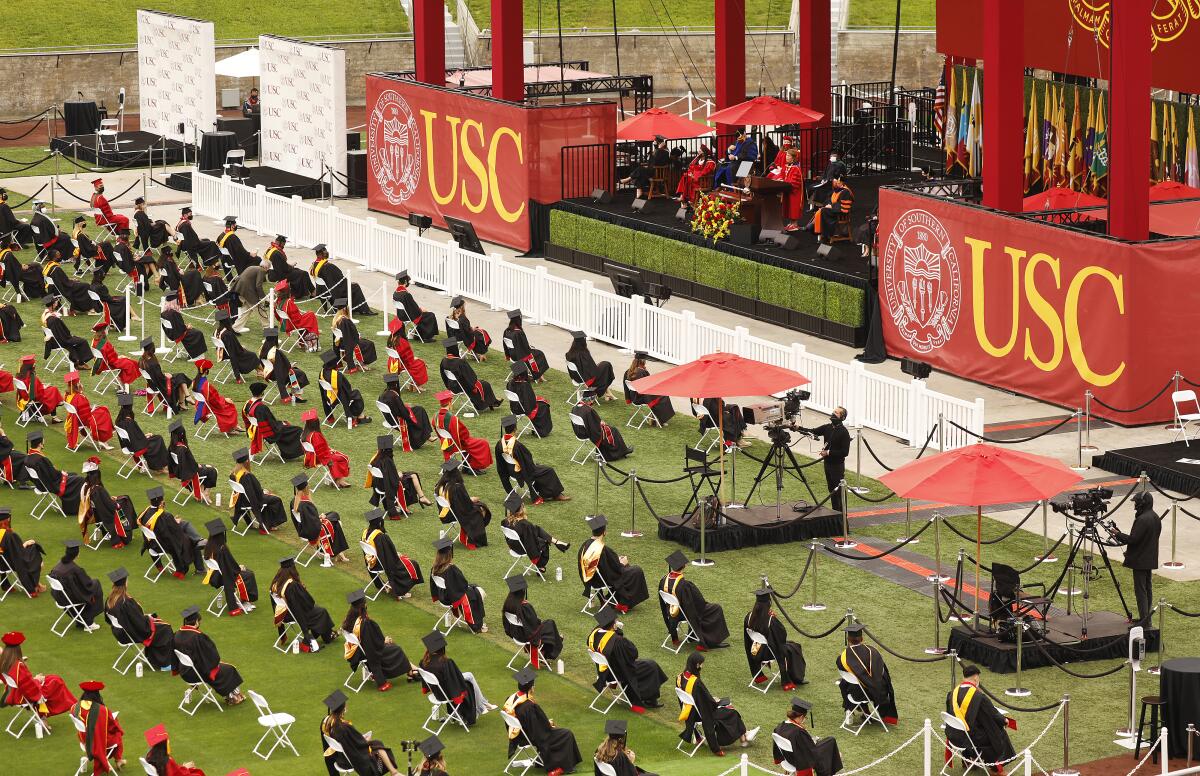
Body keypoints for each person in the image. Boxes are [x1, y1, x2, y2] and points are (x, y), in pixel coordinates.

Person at [503, 666, 582, 776]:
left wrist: (544, 722)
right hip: (531, 736)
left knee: (558, 732)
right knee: (567, 734)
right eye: (533, 685)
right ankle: (562, 766)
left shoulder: (510, 699)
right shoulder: (528, 706)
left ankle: (543, 760)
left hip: (519, 735)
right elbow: (540, 732)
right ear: (531, 687)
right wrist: (548, 724)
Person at [587, 606, 666, 714]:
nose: (617, 621)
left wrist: (614, 630)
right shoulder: (617, 641)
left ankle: (647, 696)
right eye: (615, 621)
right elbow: (633, 653)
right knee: (651, 666)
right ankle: (649, 699)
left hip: (604, 672)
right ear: (612, 624)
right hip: (618, 672)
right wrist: (618, 632)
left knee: (646, 665)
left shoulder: (593, 635)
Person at [677, 652, 757, 756]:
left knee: (727, 707)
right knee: (731, 711)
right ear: (697, 665)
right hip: (702, 713)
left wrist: (710, 699)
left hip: (690, 711)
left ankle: (744, 736)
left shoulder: (680, 677)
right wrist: (715, 701)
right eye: (701, 664)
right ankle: (744, 737)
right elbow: (708, 704)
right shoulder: (696, 682)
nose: (702, 666)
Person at [342, 589, 418, 691]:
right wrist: (384, 641)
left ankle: (412, 670)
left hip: (357, 651)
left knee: (392, 646)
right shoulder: (365, 622)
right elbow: (373, 644)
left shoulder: (349, 619)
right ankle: (412, 671)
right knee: (397, 649)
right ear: (364, 605)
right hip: (369, 652)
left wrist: (382, 640)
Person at [946, 665, 1016, 773]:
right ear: (975, 678)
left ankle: (969, 759)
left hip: (953, 734)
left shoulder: (952, 693)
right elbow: (994, 714)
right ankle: (996, 769)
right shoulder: (979, 697)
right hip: (970, 737)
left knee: (976, 727)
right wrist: (1004, 720)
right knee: (997, 733)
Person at [417, 630, 495, 725]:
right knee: (469, 679)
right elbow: (454, 680)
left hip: (437, 692)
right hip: (447, 692)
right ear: (442, 648)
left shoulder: (423, 662)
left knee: (469, 675)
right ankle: (482, 705)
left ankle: (483, 704)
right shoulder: (446, 662)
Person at [105, 567, 175, 670]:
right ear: (125, 583)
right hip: (131, 633)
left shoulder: (110, 599)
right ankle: (164, 663)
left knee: (158, 624)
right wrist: (149, 618)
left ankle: (153, 658)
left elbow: (108, 620)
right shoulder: (125, 602)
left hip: (119, 632)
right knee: (165, 628)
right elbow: (141, 625)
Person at [174, 605, 246, 705]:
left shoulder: (177, 634)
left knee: (222, 668)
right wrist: (215, 663)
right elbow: (211, 657)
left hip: (185, 671)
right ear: (196, 622)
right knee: (229, 669)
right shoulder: (197, 637)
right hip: (196, 673)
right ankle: (232, 697)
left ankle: (234, 695)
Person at [659, 551, 730, 649]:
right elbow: (699, 603)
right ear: (684, 566)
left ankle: (688, 637)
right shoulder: (684, 585)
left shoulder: (663, 580)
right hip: (684, 614)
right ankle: (710, 641)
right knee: (716, 608)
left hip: (671, 613)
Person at [320, 689, 401, 776]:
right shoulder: (344, 727)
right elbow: (359, 745)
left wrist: (360, 739)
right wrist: (364, 739)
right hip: (350, 759)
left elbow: (329, 746)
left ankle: (394, 772)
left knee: (376, 743)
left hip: (337, 757)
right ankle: (394, 772)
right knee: (378, 745)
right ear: (343, 708)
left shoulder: (326, 722)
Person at [1, 631, 76, 722]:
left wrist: (36, 679)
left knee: (51, 678)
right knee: (56, 681)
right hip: (25, 696)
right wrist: (38, 680)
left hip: (14, 692)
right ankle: (72, 707)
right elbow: (29, 688)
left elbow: (21, 681)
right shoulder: (18, 666)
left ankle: (44, 715)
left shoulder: (3, 661)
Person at [579, 515, 648, 613]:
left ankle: (609, 599)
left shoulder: (585, 545)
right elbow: (614, 571)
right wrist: (623, 563)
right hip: (602, 580)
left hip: (590, 579)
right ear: (604, 532)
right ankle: (624, 602)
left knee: (629, 571)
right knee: (636, 570)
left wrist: (616, 562)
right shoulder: (601, 549)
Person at [744, 585, 807, 690]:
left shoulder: (749, 616)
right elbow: (782, 636)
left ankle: (758, 676)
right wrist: (774, 618)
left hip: (755, 650)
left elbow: (747, 639)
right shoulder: (770, 620)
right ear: (769, 603)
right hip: (768, 652)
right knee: (795, 647)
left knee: (789, 645)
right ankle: (796, 678)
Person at [496, 415, 568, 504]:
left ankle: (544, 492)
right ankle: (556, 494)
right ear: (515, 428)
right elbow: (528, 461)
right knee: (548, 470)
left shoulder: (499, 444)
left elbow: (500, 464)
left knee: (540, 467)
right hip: (522, 472)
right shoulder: (517, 445)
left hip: (510, 471)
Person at [1115, 491, 1161, 628]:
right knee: (1147, 589)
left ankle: (1144, 623)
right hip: (1149, 559)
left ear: (1142, 503)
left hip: (1140, 561)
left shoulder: (1142, 519)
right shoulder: (1155, 517)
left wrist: (1117, 534)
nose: (1135, 505)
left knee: (1141, 591)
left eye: (1136, 502)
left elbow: (1133, 540)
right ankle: (1145, 619)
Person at [836, 624, 898, 726]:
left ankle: (849, 709)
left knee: (844, 682)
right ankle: (867, 712)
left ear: (848, 639)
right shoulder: (874, 651)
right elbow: (884, 673)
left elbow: (844, 673)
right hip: (879, 693)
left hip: (858, 695)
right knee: (875, 680)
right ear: (862, 638)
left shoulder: (843, 657)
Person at [271, 557, 336, 652]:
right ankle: (327, 637)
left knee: (318, 611)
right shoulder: (292, 585)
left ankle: (329, 634)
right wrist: (303, 589)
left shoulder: (276, 582)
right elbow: (309, 602)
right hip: (295, 614)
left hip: (284, 614)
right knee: (322, 611)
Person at [502, 575, 564, 669]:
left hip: (516, 634)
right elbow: (534, 624)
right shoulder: (524, 606)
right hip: (526, 636)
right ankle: (548, 651)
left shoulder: (508, 604)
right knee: (550, 623)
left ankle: (551, 643)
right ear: (522, 592)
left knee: (547, 628)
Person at [502, 491, 570, 574]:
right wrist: (542, 542)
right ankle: (540, 566)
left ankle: (556, 541)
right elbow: (531, 544)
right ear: (521, 508)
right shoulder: (525, 524)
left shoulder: (505, 521)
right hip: (521, 548)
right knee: (544, 543)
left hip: (513, 546)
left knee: (536, 528)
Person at [138, 485, 199, 578]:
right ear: (161, 501)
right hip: (162, 545)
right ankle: (181, 571)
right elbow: (175, 532)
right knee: (185, 540)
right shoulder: (165, 516)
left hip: (150, 544)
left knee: (179, 538)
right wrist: (176, 522)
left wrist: (172, 521)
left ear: (150, 501)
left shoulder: (144, 513)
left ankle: (159, 567)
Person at [361, 509, 423, 599]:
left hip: (370, 562)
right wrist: (397, 555)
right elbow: (389, 557)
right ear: (379, 522)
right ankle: (401, 590)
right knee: (412, 564)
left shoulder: (365, 532)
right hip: (381, 564)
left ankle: (386, 585)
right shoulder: (380, 536)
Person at [772, 698, 843, 776]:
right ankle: (827, 772)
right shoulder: (799, 732)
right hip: (801, 760)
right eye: (805, 718)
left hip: (788, 758)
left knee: (828, 744)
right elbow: (811, 751)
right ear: (801, 716)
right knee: (831, 741)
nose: (804, 720)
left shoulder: (780, 726)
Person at [429, 538, 487, 632]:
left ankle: (455, 617)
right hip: (452, 598)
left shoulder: (434, 568)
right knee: (477, 593)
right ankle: (477, 624)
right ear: (449, 554)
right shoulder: (451, 568)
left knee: (474, 587)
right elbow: (463, 584)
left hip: (443, 596)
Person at [365, 435, 430, 518]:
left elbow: (387, 473)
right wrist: (399, 475)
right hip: (388, 485)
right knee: (412, 478)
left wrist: (396, 473)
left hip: (379, 485)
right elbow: (392, 479)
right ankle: (416, 500)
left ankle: (421, 498)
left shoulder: (376, 457)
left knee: (413, 474)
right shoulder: (387, 460)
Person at [291, 474, 350, 564]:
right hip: (312, 530)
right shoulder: (305, 504)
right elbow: (312, 522)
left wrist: (319, 517)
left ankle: (339, 553)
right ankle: (339, 553)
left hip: (304, 529)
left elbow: (307, 518)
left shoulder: (294, 501)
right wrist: (321, 519)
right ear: (306, 487)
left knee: (333, 515)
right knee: (336, 520)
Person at [202, 519, 257, 616]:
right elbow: (229, 567)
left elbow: (225, 564)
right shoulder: (221, 549)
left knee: (246, 573)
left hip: (214, 576)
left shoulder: (209, 546)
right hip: (224, 576)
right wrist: (239, 568)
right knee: (249, 574)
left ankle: (244, 600)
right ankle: (244, 601)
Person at [79, 458, 136, 549]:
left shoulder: (86, 486)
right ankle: (126, 533)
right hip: (106, 515)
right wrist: (117, 504)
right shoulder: (98, 489)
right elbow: (111, 506)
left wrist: (110, 499)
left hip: (95, 514)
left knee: (122, 499)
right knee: (126, 501)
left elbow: (102, 501)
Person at [228, 447, 288, 533]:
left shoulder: (233, 473)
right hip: (251, 501)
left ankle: (258, 523)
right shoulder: (247, 475)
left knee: (268, 497)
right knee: (276, 500)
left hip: (240, 500)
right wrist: (264, 492)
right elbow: (256, 493)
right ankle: (270, 524)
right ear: (246, 461)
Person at [72, 680, 126, 774]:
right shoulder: (102, 710)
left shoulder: (74, 707)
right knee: (117, 733)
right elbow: (112, 726)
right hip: (96, 742)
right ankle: (118, 760)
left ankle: (119, 760)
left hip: (84, 740)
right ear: (97, 695)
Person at [803, 406, 851, 513]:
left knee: (839, 492)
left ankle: (843, 515)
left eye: (837, 413)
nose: (833, 414)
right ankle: (835, 513)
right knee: (831, 490)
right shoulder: (827, 428)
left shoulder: (844, 432)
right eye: (834, 412)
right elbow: (812, 431)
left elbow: (845, 452)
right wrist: (797, 428)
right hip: (827, 464)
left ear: (842, 417)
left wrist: (828, 452)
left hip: (837, 466)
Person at [25, 429, 85, 514]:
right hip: (50, 484)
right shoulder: (40, 459)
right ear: (40, 444)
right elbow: (53, 475)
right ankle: (71, 509)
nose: (44, 441)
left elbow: (48, 472)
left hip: (41, 483)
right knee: (80, 479)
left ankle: (72, 505)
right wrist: (62, 474)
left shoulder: (29, 456)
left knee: (73, 474)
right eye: (43, 440)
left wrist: (61, 473)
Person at [49, 539, 104, 629]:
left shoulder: (58, 565)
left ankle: (81, 619)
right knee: (96, 585)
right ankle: (88, 622)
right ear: (77, 554)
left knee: (92, 587)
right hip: (70, 598)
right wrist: (95, 583)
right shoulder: (75, 570)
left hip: (60, 597)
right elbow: (87, 585)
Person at [435, 461, 491, 548]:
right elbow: (465, 505)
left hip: (443, 513)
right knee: (480, 508)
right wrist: (471, 500)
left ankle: (469, 534)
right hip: (453, 514)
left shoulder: (439, 486)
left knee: (478, 506)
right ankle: (474, 538)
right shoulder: (456, 487)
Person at [242, 381, 304, 460]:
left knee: (285, 426)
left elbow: (247, 418)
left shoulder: (247, 403)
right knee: (297, 430)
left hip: (253, 429)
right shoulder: (261, 407)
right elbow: (271, 424)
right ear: (262, 393)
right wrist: (281, 425)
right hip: (265, 432)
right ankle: (291, 453)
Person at [434, 390, 493, 471]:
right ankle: (473, 466)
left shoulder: (435, 416)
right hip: (457, 443)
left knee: (474, 442)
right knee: (483, 443)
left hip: (445, 442)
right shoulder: (452, 419)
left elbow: (438, 432)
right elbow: (460, 436)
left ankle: (467, 465)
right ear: (450, 403)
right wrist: (460, 445)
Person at [440, 337, 501, 411]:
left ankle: (493, 401)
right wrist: (473, 387)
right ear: (455, 349)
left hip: (452, 386)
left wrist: (448, 386)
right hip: (462, 386)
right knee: (485, 384)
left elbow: (444, 376)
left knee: (481, 383)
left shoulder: (444, 361)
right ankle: (486, 403)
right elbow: (470, 376)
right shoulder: (460, 362)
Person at [572, 389, 634, 461]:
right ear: (591, 399)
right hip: (588, 433)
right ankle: (616, 453)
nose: (593, 401)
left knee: (609, 429)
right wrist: (601, 423)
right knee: (613, 430)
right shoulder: (588, 410)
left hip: (579, 433)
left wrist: (598, 422)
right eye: (593, 399)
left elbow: (590, 422)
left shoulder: (575, 407)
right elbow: (594, 427)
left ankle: (617, 451)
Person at [114, 393, 169, 472]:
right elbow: (136, 438)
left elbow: (133, 435)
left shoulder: (119, 419)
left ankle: (160, 465)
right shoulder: (128, 421)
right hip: (136, 445)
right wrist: (146, 436)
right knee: (158, 439)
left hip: (129, 444)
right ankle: (158, 466)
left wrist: (144, 436)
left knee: (155, 438)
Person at [378, 373, 432, 451]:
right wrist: (408, 410)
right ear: (396, 384)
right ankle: (426, 436)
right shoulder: (394, 396)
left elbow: (395, 407)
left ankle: (428, 436)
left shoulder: (383, 394)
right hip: (396, 420)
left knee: (418, 409)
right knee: (420, 411)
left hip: (389, 418)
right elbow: (405, 414)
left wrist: (404, 406)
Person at [63, 370, 114, 450]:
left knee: (102, 410)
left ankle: (102, 439)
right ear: (77, 385)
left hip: (74, 418)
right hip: (83, 420)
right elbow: (86, 414)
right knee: (104, 412)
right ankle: (102, 439)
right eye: (79, 382)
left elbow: (82, 409)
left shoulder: (67, 395)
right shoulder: (79, 397)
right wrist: (92, 409)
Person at [320, 350, 372, 428]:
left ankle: (330, 417)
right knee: (356, 393)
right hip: (339, 398)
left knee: (350, 393)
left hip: (328, 397)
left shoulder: (321, 372)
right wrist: (349, 416)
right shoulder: (337, 375)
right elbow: (347, 389)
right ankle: (360, 417)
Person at [0, 506, 45, 596]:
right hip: (12, 562)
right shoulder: (9, 535)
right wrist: (27, 543)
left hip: (2, 563)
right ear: (7, 520)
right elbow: (18, 553)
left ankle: (37, 584)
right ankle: (35, 586)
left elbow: (13, 549)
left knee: (32, 548)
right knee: (35, 551)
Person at [301, 409, 351, 488]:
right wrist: (330, 453)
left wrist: (329, 450)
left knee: (339, 455)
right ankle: (339, 481)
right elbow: (321, 451)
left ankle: (338, 480)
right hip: (320, 458)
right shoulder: (315, 435)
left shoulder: (305, 433)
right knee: (343, 457)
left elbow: (318, 448)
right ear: (316, 423)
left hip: (311, 457)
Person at [623, 352, 675, 427]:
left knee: (658, 393)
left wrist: (628, 399)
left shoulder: (628, 371)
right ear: (643, 361)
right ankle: (659, 420)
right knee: (663, 395)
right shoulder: (642, 372)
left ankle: (654, 417)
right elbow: (649, 386)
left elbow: (626, 386)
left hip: (633, 397)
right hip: (641, 398)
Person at [259, 327, 308, 405]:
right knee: (300, 373)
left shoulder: (262, 349)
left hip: (269, 374)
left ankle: (295, 394)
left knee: (294, 371)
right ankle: (296, 395)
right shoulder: (274, 352)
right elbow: (282, 367)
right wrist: (289, 366)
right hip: (278, 375)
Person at [192, 359, 240, 435]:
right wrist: (224, 400)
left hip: (200, 406)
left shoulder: (194, 381)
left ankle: (233, 426)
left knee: (226, 402)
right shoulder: (206, 385)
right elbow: (215, 401)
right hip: (209, 407)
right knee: (230, 405)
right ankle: (230, 428)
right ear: (206, 371)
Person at [42, 296, 95, 365]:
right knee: (83, 341)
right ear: (52, 305)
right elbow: (60, 333)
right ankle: (81, 362)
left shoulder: (45, 314)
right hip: (59, 340)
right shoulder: (54, 319)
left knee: (76, 342)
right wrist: (69, 337)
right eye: (55, 303)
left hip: (53, 340)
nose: (56, 304)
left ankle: (76, 360)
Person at [506, 361, 553, 437]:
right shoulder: (524, 385)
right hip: (524, 409)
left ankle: (512, 430)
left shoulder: (510, 382)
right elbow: (529, 401)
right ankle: (541, 431)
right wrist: (529, 410)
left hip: (513, 408)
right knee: (544, 406)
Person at [566, 331, 616, 400]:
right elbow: (592, 370)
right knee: (606, 365)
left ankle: (608, 393)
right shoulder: (584, 353)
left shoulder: (569, 354)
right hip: (587, 380)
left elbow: (588, 367)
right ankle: (607, 393)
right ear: (583, 342)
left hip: (577, 379)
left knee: (602, 365)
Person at [804, 176, 854, 243]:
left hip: (840, 213)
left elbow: (844, 206)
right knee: (823, 210)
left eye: (837, 181)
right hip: (834, 211)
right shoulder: (837, 190)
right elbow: (829, 200)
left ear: (841, 182)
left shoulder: (846, 192)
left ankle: (822, 234)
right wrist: (829, 205)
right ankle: (818, 231)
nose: (835, 182)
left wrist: (832, 207)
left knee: (823, 211)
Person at [332, 298, 377, 372]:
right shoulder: (344, 321)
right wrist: (357, 336)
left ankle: (360, 363)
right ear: (344, 309)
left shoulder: (336, 319)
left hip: (341, 343)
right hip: (349, 344)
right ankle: (361, 364)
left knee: (365, 342)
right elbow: (349, 336)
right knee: (369, 344)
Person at [503, 309, 550, 378]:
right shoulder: (519, 333)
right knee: (540, 353)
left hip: (512, 355)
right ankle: (539, 375)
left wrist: (507, 355)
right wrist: (531, 348)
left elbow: (505, 345)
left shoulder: (507, 331)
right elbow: (525, 347)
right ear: (519, 320)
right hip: (521, 356)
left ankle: (519, 372)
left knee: (535, 353)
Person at [275, 281, 320, 351]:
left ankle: (302, 342)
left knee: (308, 316)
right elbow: (297, 319)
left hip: (285, 324)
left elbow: (277, 316)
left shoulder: (278, 301)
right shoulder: (288, 302)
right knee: (311, 315)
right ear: (287, 291)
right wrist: (301, 314)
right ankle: (312, 341)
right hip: (292, 324)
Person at [16, 354, 62, 420]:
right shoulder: (32, 377)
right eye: (34, 364)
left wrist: (41, 386)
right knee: (53, 390)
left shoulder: (19, 375)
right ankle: (55, 415)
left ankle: (56, 410)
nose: (35, 365)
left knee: (52, 389)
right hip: (32, 398)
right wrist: (43, 387)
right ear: (31, 366)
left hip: (23, 396)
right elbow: (36, 394)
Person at [385, 321, 428, 386]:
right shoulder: (402, 341)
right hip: (400, 365)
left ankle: (414, 384)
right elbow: (408, 359)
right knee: (421, 363)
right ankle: (416, 385)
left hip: (392, 364)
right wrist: (415, 358)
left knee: (418, 361)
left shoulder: (391, 338)